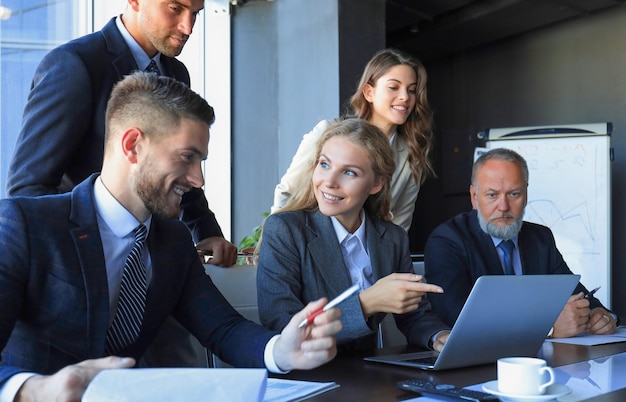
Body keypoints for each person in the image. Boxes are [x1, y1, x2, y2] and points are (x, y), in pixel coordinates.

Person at [0, 72, 342, 401]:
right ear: (133, 145)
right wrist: (31, 391)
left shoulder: (174, 241)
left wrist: (282, 350)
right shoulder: (26, 226)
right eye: (187, 158)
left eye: (202, 161)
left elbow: (222, 328)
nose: (198, 179)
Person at [6, 0, 237, 367]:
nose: (188, 26)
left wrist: (204, 230)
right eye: (175, 8)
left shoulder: (175, 71)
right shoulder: (75, 64)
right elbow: (28, 187)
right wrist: (80, 263)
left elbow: (177, 158)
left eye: (197, 13)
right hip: (82, 273)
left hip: (150, 259)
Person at [257, 119, 449, 353]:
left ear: (376, 183)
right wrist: (366, 304)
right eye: (325, 164)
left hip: (368, 376)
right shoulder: (284, 230)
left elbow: (413, 314)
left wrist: (439, 336)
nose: (329, 182)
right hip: (308, 377)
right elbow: (282, 325)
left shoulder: (392, 238)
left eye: (349, 172)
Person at [424, 147, 619, 337]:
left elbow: (578, 295)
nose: (503, 206)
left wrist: (599, 315)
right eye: (492, 195)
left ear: (526, 195)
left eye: (514, 194)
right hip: (478, 365)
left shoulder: (540, 238)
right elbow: (456, 318)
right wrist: (548, 329)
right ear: (474, 197)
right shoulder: (447, 240)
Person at [271, 48, 434, 232]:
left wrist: (387, 258)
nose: (405, 97)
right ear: (368, 92)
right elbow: (288, 192)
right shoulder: (326, 133)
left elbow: (400, 226)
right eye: (393, 87)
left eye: (411, 90)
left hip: (365, 255)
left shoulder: (411, 156)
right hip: (308, 245)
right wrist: (273, 243)